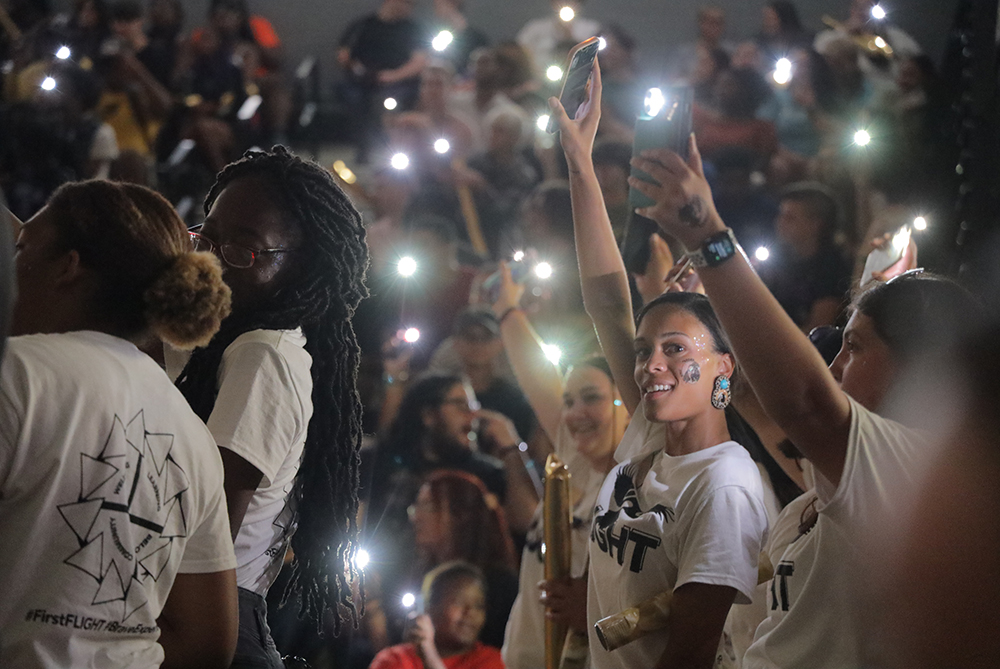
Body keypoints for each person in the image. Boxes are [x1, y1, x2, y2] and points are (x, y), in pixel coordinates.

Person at [625, 103, 983, 669]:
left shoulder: (909, 466)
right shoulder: (829, 479)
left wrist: (709, 237)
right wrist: (705, 308)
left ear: (920, 365)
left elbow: (803, 403)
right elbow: (751, 400)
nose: (836, 362)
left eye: (857, 346)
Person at [549, 63, 770, 669]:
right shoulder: (650, 437)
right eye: (646, 349)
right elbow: (605, 298)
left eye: (676, 348)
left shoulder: (724, 484)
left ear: (724, 365)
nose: (650, 364)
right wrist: (579, 160)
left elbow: (691, 653)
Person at [0, 180, 237, 667]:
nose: (11, 267)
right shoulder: (192, 435)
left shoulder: (16, 375)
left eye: (24, 248)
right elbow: (208, 640)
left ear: (68, 266)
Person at [169, 147, 370, 667]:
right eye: (206, 237)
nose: (212, 259)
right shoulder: (232, 342)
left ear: (301, 269)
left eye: (244, 249)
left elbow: (210, 531)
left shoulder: (263, 353)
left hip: (202, 617)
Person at [492, 263, 630, 669]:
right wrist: (507, 310)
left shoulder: (638, 485)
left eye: (592, 398)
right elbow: (536, 376)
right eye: (568, 401)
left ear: (625, 402)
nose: (575, 413)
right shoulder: (575, 465)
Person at [405, 471, 519, 649]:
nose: (416, 517)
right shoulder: (421, 573)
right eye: (415, 507)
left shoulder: (498, 584)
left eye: (428, 507)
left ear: (461, 516)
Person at [369, 562, 505, 669]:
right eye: (458, 602)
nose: (470, 613)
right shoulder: (394, 660)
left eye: (478, 606)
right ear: (430, 608)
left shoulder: (494, 661)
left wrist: (429, 655)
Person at [757, 183, 852, 331]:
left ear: (815, 224)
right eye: (780, 215)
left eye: (790, 218)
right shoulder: (780, 261)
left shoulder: (832, 268)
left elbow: (818, 327)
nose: (779, 222)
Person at [516, 0, 599, 77]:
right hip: (540, 80)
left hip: (581, 79)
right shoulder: (534, 29)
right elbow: (518, 52)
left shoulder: (592, 29)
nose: (566, 2)